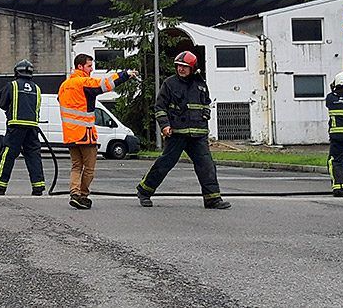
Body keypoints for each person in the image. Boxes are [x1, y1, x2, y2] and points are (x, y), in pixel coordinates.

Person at [136, 51, 230, 209]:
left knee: (206, 165)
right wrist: (165, 125)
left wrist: (206, 112)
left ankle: (212, 199)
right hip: (177, 133)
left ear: (193, 68)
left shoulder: (201, 84)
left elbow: (206, 103)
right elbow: (160, 107)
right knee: (165, 163)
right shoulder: (169, 83)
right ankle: (144, 191)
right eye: (179, 66)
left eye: (185, 67)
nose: (181, 69)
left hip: (198, 134)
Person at [58, 54, 136, 210]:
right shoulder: (83, 82)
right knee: (89, 168)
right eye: (89, 66)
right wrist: (125, 75)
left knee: (76, 166)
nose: (91, 69)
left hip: (70, 135)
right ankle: (82, 195)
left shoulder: (64, 85)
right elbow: (105, 84)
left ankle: (74, 192)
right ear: (80, 67)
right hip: (85, 134)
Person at [0, 60, 46, 196]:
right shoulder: (37, 88)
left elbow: (2, 103)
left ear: (16, 72)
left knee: (8, 155)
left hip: (16, 127)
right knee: (33, 156)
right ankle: (38, 187)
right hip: (32, 128)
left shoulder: (12, 85)